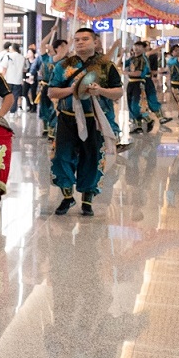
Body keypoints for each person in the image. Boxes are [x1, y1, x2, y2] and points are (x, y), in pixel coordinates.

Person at [46, 27, 123, 216]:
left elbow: (118, 92)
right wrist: (71, 90)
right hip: (67, 118)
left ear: (95, 42)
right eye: (77, 39)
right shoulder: (63, 66)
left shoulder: (106, 66)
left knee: (93, 158)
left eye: (85, 39)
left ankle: (87, 201)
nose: (80, 42)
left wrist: (101, 91)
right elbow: (51, 91)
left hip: (95, 120)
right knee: (61, 157)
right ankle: (67, 197)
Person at [37, 38, 68, 140]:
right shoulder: (46, 58)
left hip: (56, 88)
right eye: (62, 46)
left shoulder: (61, 60)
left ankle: (52, 132)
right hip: (45, 86)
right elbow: (42, 44)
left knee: (53, 109)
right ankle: (46, 129)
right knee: (44, 109)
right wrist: (51, 32)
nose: (64, 48)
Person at [0, 42, 26, 107]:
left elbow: (4, 68)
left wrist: (1, 78)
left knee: (7, 96)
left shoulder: (8, 56)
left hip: (8, 79)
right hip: (18, 80)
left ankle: (6, 109)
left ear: (12, 48)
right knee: (15, 97)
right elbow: (24, 69)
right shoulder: (22, 57)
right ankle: (12, 112)